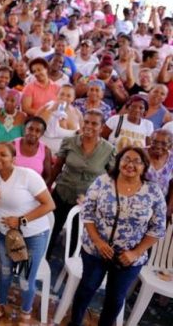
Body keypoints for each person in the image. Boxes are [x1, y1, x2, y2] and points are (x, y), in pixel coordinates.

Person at [69, 147, 166, 326]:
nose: (130, 164)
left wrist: (135, 253)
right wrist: (98, 241)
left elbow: (158, 229)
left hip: (129, 258)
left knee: (115, 299)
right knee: (86, 290)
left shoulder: (153, 191)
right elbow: (87, 213)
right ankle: (74, 322)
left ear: (145, 166)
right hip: (95, 251)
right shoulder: (102, 182)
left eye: (137, 161)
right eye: (126, 159)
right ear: (118, 161)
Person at [0, 142, 55, 326]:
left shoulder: (27, 176)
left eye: (3, 155)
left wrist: (21, 220)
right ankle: (0, 305)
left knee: (24, 279)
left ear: (14, 159)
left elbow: (49, 205)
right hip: (4, 234)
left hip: (32, 236)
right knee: (5, 273)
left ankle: (25, 311)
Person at [46, 110, 115, 260]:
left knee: (76, 234)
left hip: (86, 200)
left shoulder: (108, 149)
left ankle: (69, 267)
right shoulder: (69, 142)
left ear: (102, 127)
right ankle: (43, 259)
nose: (89, 126)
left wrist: (98, 199)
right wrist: (48, 186)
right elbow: (57, 166)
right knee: (52, 227)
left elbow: (110, 180)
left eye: (94, 123)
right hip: (62, 191)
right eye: (86, 122)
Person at [38, 84, 82, 155]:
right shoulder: (49, 106)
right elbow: (37, 125)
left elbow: (82, 133)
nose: (64, 97)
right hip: (45, 152)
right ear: (57, 95)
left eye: (68, 96)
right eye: (62, 94)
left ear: (73, 98)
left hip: (67, 154)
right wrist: (51, 110)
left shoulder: (77, 113)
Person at [13, 117, 53, 182]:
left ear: (42, 134)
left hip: (34, 190)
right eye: (30, 129)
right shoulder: (13, 145)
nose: (33, 133)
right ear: (24, 129)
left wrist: (39, 190)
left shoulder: (45, 150)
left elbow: (48, 176)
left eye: (38, 131)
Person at [146, 129, 173, 218]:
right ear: (150, 141)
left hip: (160, 205)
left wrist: (169, 208)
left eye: (164, 144)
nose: (158, 146)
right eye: (155, 142)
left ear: (170, 146)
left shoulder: (171, 159)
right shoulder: (141, 154)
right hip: (138, 203)